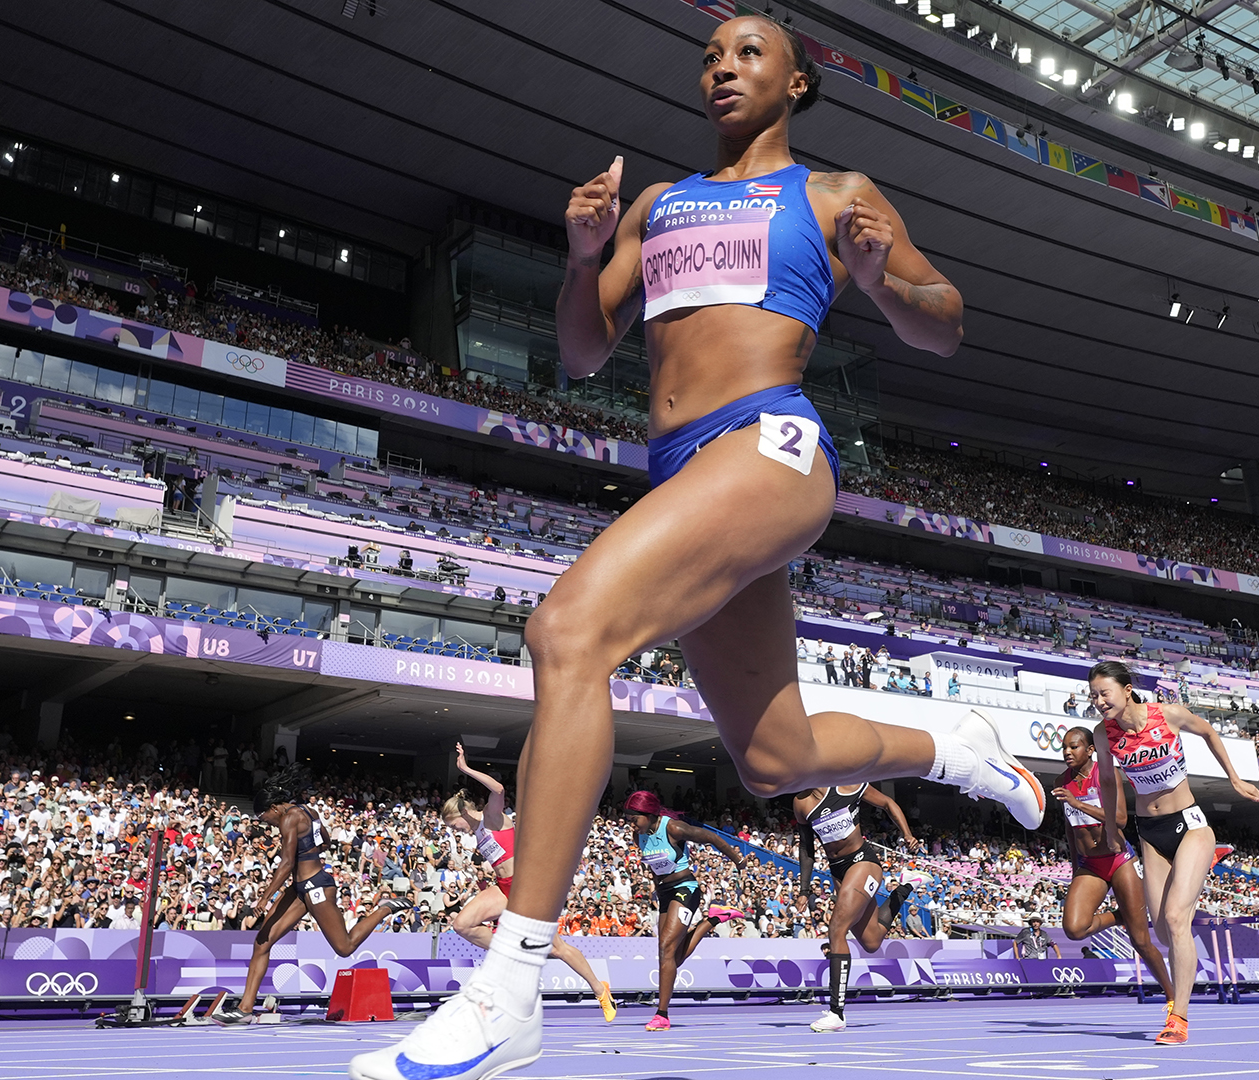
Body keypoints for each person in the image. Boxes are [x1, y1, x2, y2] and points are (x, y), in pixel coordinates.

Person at [350, 16, 1044, 1080]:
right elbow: (584, 354)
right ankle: (953, 745)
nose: (723, 64)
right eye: (711, 53)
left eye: (749, 51)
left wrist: (881, 278)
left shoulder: (830, 195)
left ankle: (512, 988)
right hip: (683, 469)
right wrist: (582, 262)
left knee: (569, 631)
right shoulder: (658, 205)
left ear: (799, 82)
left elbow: (943, 322)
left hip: (768, 444)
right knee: (777, 761)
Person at [1089, 661, 1259, 1045]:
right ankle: (1195, 876)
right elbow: (1105, 778)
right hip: (1149, 833)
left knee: (1175, 918)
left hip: (1190, 825)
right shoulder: (1105, 734)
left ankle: (1178, 1017)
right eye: (1094, 695)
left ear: (1127, 689)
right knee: (1165, 933)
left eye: (1104, 693)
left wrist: (1234, 777)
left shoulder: (1167, 715)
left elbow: (1209, 732)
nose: (1098, 701)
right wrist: (1112, 828)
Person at [214, 766, 410, 1024]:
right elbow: (326, 841)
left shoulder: (287, 819)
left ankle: (385, 908)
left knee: (345, 947)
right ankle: (245, 1009)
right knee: (262, 941)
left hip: (316, 886)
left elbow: (285, 864)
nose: (267, 824)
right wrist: (306, 853)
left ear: (274, 808)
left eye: (265, 818)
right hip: (300, 889)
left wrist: (264, 899)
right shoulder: (309, 810)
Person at [439, 742, 615, 1022]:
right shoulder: (476, 833)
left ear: (461, 813)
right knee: (461, 924)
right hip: (504, 887)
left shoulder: (491, 817)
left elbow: (498, 790)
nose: (453, 831)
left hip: (528, 887)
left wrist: (465, 768)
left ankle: (600, 990)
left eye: (452, 825)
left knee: (557, 948)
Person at [1050, 726, 1177, 1004]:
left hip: (1119, 859)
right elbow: (1071, 830)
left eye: (1074, 747)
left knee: (1140, 941)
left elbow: (1119, 819)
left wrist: (1078, 803)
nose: (1068, 752)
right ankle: (1120, 916)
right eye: (1064, 748)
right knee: (1074, 929)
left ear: (1091, 749)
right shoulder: (1062, 780)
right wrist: (1075, 870)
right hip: (1089, 865)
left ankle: (1173, 998)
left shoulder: (1106, 774)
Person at [792, 780, 917, 1032]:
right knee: (871, 942)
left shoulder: (848, 785)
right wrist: (804, 889)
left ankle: (837, 1013)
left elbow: (887, 803)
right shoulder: (800, 802)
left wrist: (907, 835)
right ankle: (907, 886)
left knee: (836, 928)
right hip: (838, 872)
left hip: (863, 862)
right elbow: (807, 848)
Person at [619, 790, 748, 1030]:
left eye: (634, 819)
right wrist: (656, 887)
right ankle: (712, 920)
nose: (631, 824)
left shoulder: (674, 829)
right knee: (669, 956)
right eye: (628, 820)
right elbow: (655, 866)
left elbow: (711, 837)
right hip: (666, 894)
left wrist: (737, 860)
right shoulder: (639, 837)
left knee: (667, 948)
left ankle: (662, 1014)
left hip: (685, 889)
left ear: (649, 814)